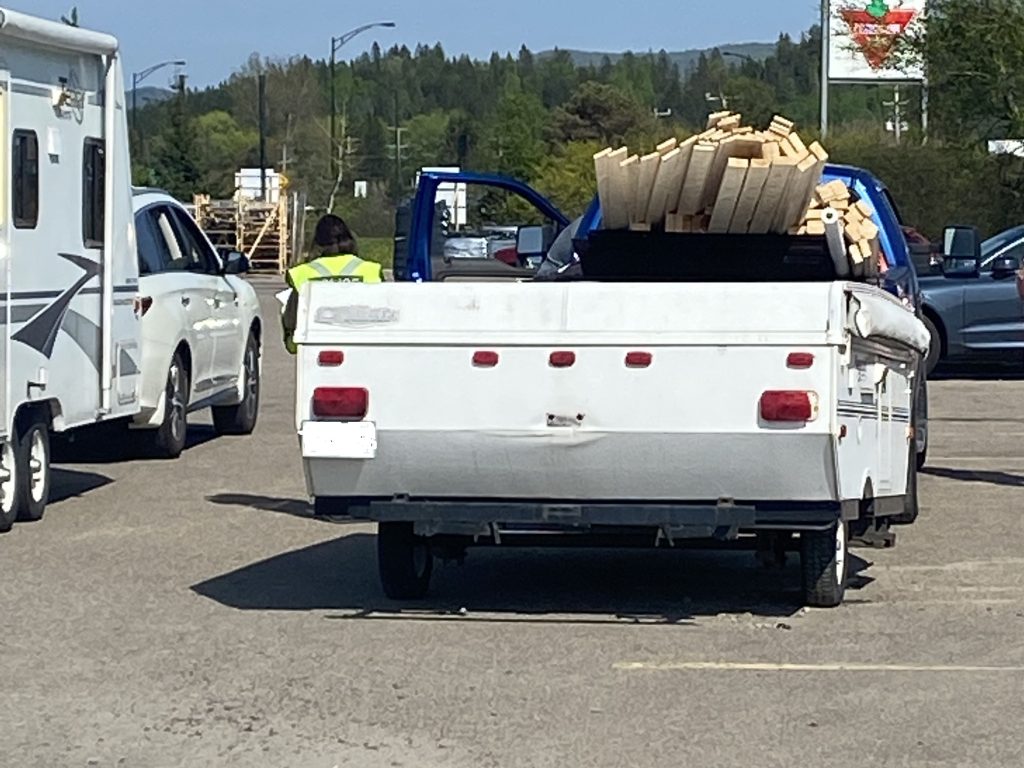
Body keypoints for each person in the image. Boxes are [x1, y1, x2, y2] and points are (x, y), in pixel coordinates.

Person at [280, 214, 383, 354]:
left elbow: (291, 322)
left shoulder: (302, 273)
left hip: (314, 346)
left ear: (317, 242)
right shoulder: (371, 270)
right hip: (362, 345)